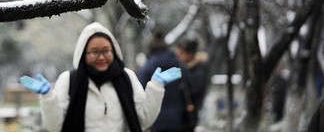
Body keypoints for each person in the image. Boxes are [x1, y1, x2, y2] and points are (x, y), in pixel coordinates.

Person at [19, 21, 181, 132]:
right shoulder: (69, 80)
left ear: (114, 50)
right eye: (95, 52)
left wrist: (156, 87)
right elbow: (56, 127)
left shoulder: (127, 78)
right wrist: (48, 98)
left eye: (106, 51)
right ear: (84, 53)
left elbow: (143, 120)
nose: (102, 57)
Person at [138, 29, 186, 132]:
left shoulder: (148, 66)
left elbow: (140, 92)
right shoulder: (177, 63)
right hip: (177, 117)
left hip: (156, 118)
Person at [175, 38, 209, 131]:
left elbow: (195, 89)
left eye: (181, 53)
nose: (178, 56)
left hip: (190, 112)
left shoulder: (198, 69)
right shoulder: (186, 67)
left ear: (189, 54)